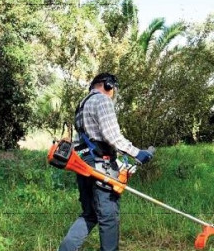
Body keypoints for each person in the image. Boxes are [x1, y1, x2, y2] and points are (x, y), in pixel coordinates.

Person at [59, 72, 154, 251]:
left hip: (83, 164)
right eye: (113, 89)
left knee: (90, 214)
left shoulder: (82, 105)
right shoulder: (102, 100)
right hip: (100, 166)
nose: (113, 93)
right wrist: (138, 153)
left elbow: (92, 140)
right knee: (108, 217)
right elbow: (112, 136)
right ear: (108, 85)